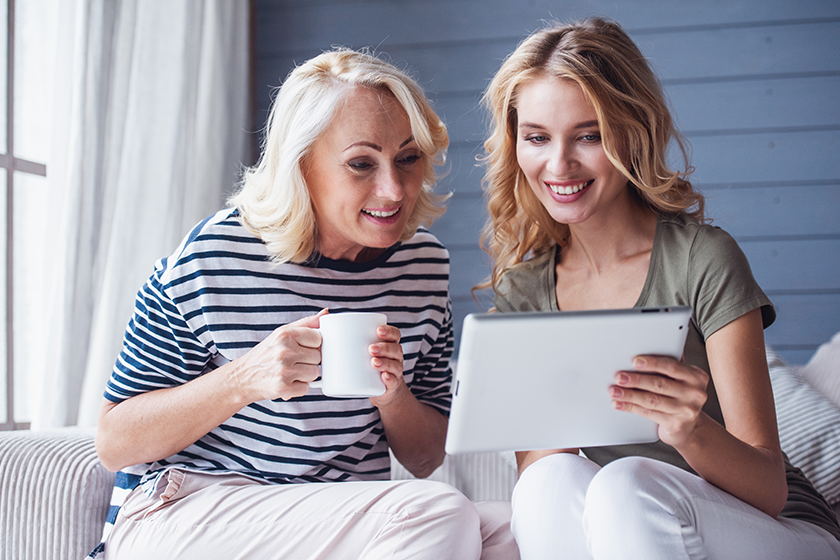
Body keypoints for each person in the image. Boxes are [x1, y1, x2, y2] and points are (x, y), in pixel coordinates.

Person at [89, 48, 517, 560]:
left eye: (407, 159)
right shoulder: (214, 256)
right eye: (362, 163)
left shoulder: (420, 266)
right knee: (438, 512)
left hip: (335, 515)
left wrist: (392, 395)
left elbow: (424, 460)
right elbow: (114, 442)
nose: (393, 188)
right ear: (302, 165)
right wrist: (243, 379)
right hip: (181, 512)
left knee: (524, 526)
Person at [479, 17, 840, 560]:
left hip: (777, 530)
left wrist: (690, 430)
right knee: (546, 480)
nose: (559, 164)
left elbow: (769, 489)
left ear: (632, 132)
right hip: (636, 531)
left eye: (589, 135)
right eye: (536, 137)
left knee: (628, 485)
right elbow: (547, 488)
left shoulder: (702, 257)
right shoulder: (524, 293)